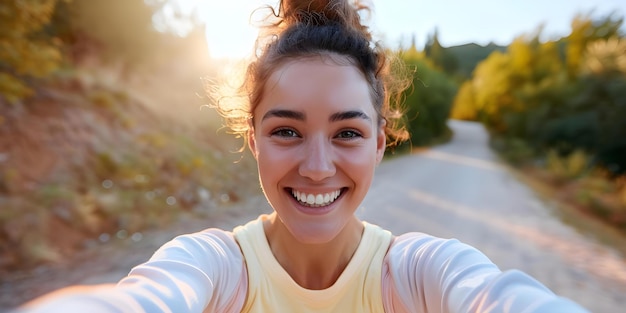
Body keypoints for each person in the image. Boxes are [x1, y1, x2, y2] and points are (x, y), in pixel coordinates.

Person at [17, 0, 589, 312]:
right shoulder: (215, 268)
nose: (317, 167)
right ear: (253, 140)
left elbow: (493, 297)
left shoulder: (416, 273)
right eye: (287, 132)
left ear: (379, 145)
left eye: (347, 133)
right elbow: (146, 299)